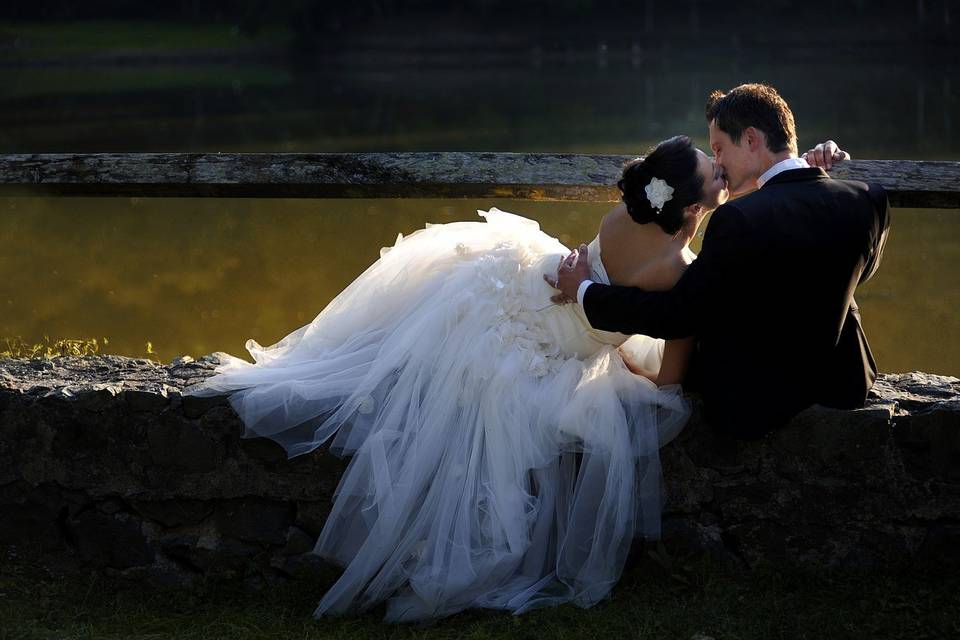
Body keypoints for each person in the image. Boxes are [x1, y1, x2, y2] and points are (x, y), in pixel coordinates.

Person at [181, 133, 733, 623]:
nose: (720, 169)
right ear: (691, 204)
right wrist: (628, 361)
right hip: (556, 346)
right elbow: (667, 383)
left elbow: (600, 291)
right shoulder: (677, 274)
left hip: (533, 287)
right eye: (715, 172)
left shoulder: (623, 216)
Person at [549, 83, 891, 439]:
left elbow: (679, 313)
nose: (719, 162)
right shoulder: (868, 200)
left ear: (751, 139)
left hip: (755, 397)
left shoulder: (739, 219)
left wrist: (586, 291)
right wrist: (806, 171)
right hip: (841, 382)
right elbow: (857, 272)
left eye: (719, 148)